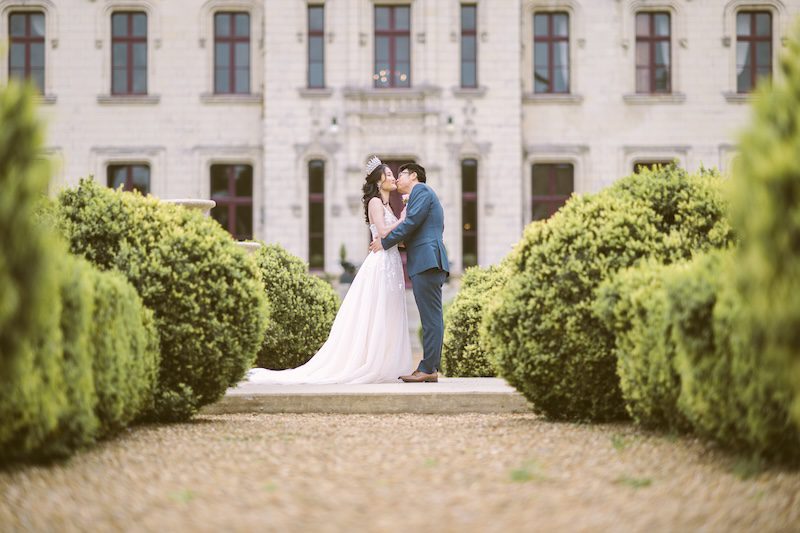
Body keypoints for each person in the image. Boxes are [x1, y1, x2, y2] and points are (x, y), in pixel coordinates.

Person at [244, 156, 414, 384]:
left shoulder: (387, 205)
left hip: (391, 260)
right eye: (390, 174)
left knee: (389, 310)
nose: (393, 178)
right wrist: (404, 219)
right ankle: (371, 362)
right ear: (378, 179)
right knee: (378, 309)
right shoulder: (375, 201)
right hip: (381, 263)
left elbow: (392, 237)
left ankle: (386, 362)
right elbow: (383, 232)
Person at [369, 162, 449, 383]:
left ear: (413, 176)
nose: (397, 179)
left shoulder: (421, 191)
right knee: (430, 317)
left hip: (427, 261)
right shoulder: (418, 196)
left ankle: (428, 368)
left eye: (401, 174)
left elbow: (411, 222)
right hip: (425, 261)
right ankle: (429, 368)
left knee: (431, 318)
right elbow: (417, 229)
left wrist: (384, 242)